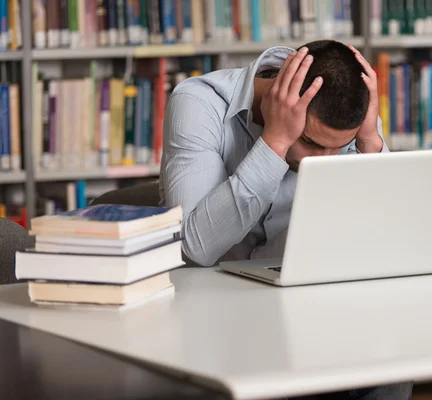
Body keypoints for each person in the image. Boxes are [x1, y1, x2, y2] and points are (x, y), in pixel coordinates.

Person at [159, 40, 413, 400]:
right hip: (221, 317)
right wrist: (275, 142)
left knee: (391, 356)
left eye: (336, 148)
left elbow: (392, 237)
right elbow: (197, 249)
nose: (321, 161)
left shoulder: (349, 115)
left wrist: (370, 142)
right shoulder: (199, 104)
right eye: (310, 142)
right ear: (276, 97)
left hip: (315, 312)